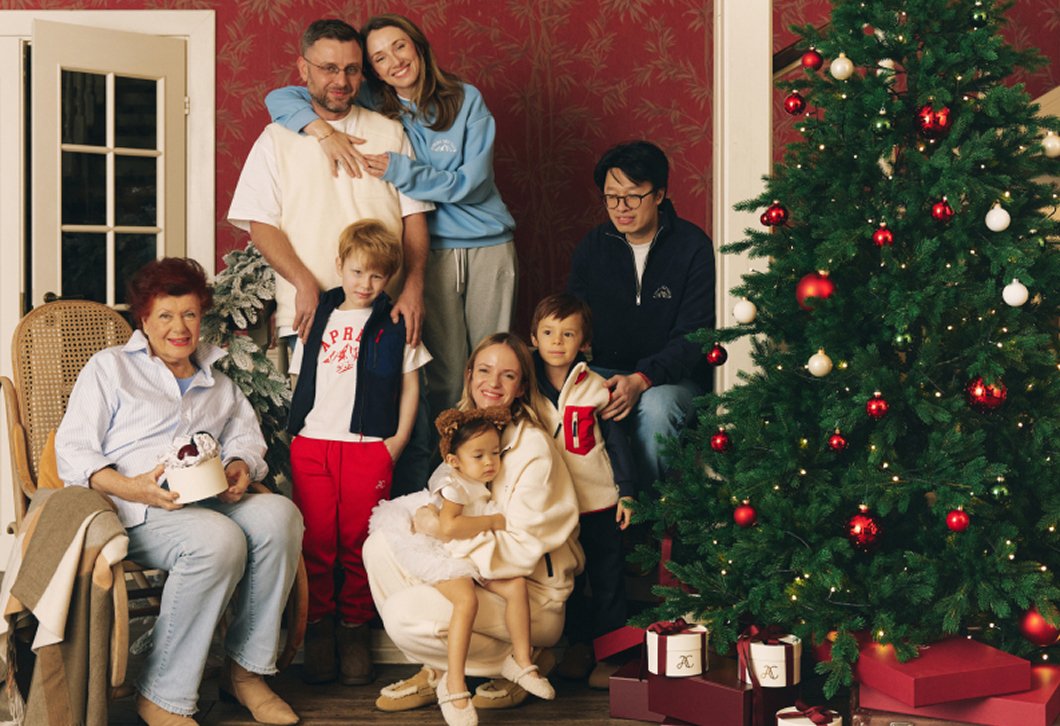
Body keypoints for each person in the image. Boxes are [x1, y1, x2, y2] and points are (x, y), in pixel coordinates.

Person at [55, 258, 303, 726]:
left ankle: (244, 673)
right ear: (144, 320)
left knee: (279, 516)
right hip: (134, 509)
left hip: (207, 501)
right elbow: (74, 450)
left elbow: (247, 440)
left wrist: (238, 466)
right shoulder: (110, 369)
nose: (180, 327)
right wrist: (132, 488)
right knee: (217, 540)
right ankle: (163, 694)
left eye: (189, 314)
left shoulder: (218, 383)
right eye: (165, 315)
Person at [264, 12, 518, 433]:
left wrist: (403, 171)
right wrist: (323, 132)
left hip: (489, 243)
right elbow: (280, 98)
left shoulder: (465, 99)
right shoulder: (374, 103)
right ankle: (453, 461)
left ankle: (500, 456)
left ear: (418, 46)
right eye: (379, 58)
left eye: (400, 46)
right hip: (434, 250)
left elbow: (472, 184)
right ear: (373, 71)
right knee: (446, 372)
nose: (394, 61)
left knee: (496, 363)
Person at [362, 333, 582, 716]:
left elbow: (519, 549)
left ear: (522, 386)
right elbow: (450, 500)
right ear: (469, 375)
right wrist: (431, 520)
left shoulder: (533, 448)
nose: (492, 383)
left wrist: (444, 532)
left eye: (508, 375)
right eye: (484, 370)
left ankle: (519, 659)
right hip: (483, 572)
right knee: (379, 544)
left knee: (403, 616)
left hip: (530, 594)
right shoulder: (468, 432)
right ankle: (438, 668)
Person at [286, 220, 431, 686]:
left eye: (376, 276)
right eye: (356, 272)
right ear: (339, 267)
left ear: (388, 278)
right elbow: (299, 380)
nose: (365, 284)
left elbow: (411, 384)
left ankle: (354, 629)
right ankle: (318, 628)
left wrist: (397, 442)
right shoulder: (319, 316)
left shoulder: (393, 323)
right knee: (316, 542)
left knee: (358, 543)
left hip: (368, 448)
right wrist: (297, 435)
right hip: (313, 446)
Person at [568, 140, 715, 494]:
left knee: (657, 409)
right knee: (570, 400)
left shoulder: (692, 247)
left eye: (633, 197)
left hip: (672, 380)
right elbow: (573, 320)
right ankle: (593, 517)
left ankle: (646, 515)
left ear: (659, 194)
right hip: (604, 370)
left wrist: (642, 379)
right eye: (611, 197)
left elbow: (694, 336)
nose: (621, 208)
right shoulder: (593, 246)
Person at [407, 407, 555, 726]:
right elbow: (448, 527)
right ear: (454, 461)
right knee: (466, 601)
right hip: (445, 553)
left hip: (469, 551)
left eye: (495, 453)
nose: (490, 462)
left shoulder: (477, 478)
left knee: (515, 585)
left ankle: (521, 661)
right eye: (478, 455)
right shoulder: (454, 485)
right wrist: (492, 521)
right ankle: (454, 683)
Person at [528, 293, 638, 687]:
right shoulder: (527, 389)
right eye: (548, 333)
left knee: (607, 580)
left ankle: (611, 656)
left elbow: (617, 444)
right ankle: (578, 648)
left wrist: (627, 491)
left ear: (584, 342)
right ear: (534, 338)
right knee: (567, 584)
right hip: (554, 508)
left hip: (599, 503)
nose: (557, 342)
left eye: (568, 334)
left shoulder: (597, 388)